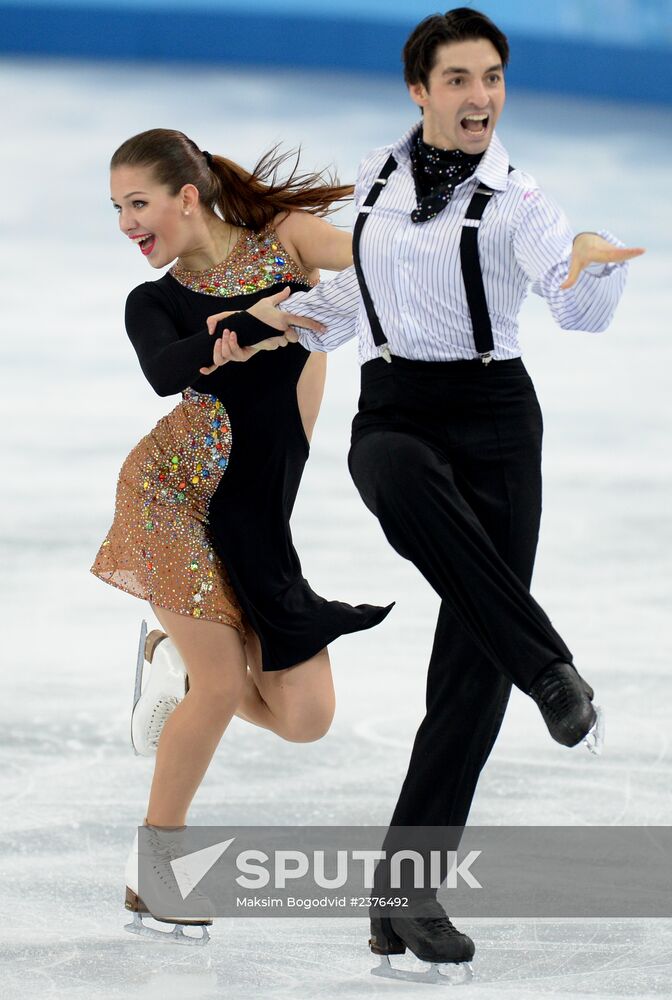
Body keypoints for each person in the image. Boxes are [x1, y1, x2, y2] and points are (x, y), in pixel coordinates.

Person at [227, 7, 645, 979]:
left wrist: (588, 261)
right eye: (460, 79)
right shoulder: (376, 176)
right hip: (398, 410)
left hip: (498, 422)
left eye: (492, 78)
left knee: (467, 668)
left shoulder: (520, 199)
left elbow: (570, 300)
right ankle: (553, 670)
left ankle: (402, 893)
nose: (480, 97)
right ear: (421, 90)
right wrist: (274, 321)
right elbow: (355, 300)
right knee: (391, 472)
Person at [90, 128, 393, 942]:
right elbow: (164, 368)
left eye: (137, 203)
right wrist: (241, 323)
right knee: (225, 687)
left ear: (187, 197)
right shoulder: (153, 300)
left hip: (256, 513)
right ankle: (155, 872)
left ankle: (173, 667)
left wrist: (438, 236)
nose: (126, 222)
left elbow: (369, 254)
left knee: (305, 717)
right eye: (117, 209)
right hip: (174, 497)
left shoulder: (286, 239)